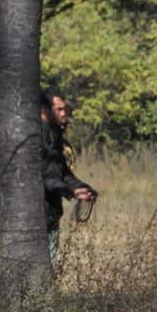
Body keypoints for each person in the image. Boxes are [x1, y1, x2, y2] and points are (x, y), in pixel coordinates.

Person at [40, 88, 97, 269]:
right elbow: (45, 178)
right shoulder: (37, 136)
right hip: (37, 217)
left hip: (50, 215)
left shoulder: (54, 134)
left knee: (50, 271)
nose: (64, 114)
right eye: (59, 109)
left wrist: (82, 187)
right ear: (44, 109)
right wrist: (71, 191)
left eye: (64, 109)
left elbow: (62, 173)